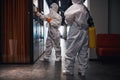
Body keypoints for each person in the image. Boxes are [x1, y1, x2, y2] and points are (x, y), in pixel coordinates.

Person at [62, 0, 94, 76]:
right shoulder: (85, 8)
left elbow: (68, 19)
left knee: (71, 50)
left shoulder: (74, 7)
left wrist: (70, 23)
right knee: (83, 52)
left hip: (75, 31)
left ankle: (69, 70)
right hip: (85, 32)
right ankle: (82, 70)